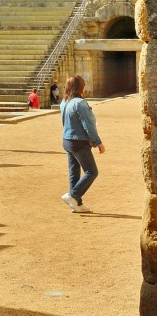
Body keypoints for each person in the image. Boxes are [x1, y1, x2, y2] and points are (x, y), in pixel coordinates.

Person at [60, 74, 105, 213]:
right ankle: (73, 196)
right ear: (80, 88)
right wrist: (98, 142)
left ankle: (77, 204)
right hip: (79, 142)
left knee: (74, 172)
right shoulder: (80, 103)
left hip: (67, 140)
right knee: (92, 171)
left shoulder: (64, 102)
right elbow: (88, 125)